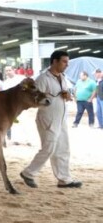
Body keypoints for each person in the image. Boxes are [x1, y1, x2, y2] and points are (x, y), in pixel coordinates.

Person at [19, 50, 82, 190]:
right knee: (49, 148)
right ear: (54, 61)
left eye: (67, 62)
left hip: (61, 118)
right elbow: (33, 98)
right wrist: (47, 100)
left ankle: (64, 179)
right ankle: (28, 173)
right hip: (47, 118)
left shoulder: (63, 77)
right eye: (64, 61)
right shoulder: (43, 78)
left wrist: (67, 96)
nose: (67, 65)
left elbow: (68, 93)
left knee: (63, 148)